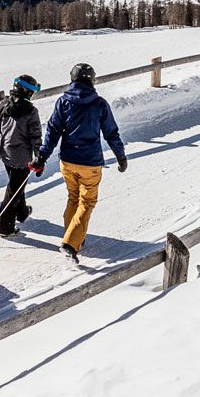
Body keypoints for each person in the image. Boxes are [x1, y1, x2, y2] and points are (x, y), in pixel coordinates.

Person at [32, 62, 127, 263]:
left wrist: (42, 156)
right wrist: (120, 155)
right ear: (92, 80)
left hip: (67, 160)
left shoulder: (63, 102)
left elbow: (53, 131)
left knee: (73, 197)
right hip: (90, 163)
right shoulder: (99, 103)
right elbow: (111, 132)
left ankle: (73, 236)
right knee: (87, 202)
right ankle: (70, 243)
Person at [0, 74, 43, 237]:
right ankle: (5, 227)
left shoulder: (3, 105)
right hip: (22, 158)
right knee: (13, 191)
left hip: (6, 154)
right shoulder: (31, 111)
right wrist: (39, 159)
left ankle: (22, 213)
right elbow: (35, 138)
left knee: (17, 186)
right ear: (28, 92)